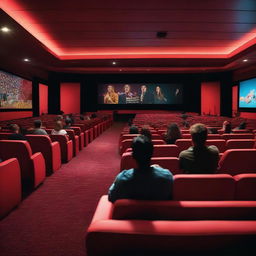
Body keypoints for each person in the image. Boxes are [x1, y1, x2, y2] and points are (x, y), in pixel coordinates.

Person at [108, 136, 173, 202]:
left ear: (133, 156)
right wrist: (159, 170)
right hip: (160, 212)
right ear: (152, 153)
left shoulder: (122, 178)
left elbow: (111, 196)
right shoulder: (167, 176)